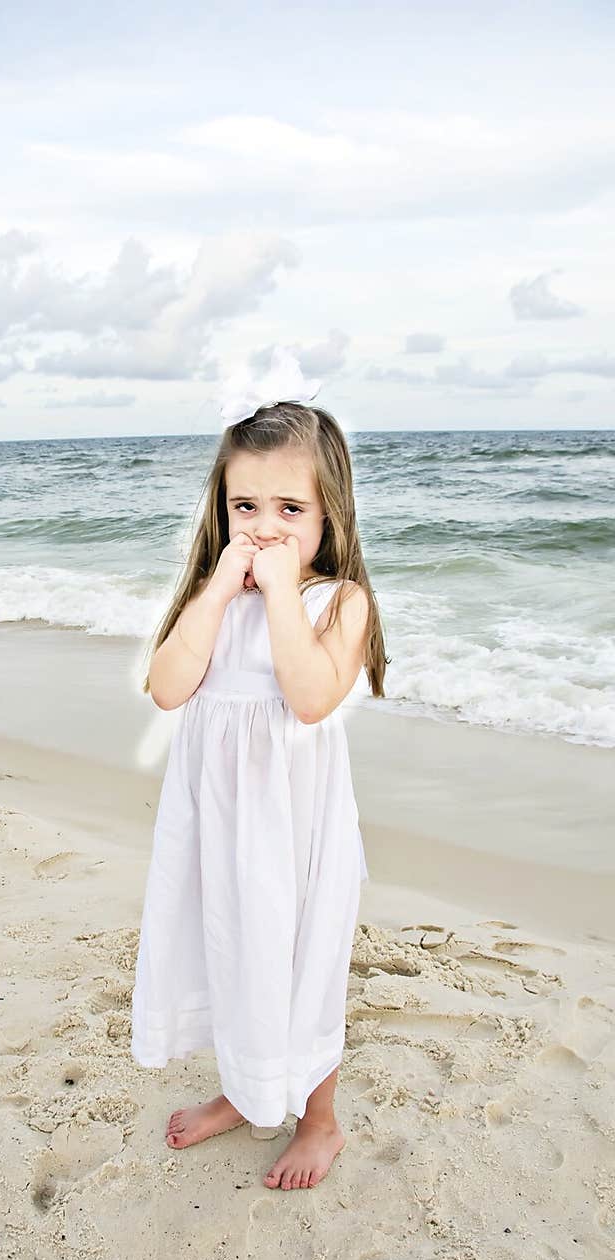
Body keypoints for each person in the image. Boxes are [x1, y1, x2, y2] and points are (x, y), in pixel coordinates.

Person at [130, 351, 388, 1191]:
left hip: (295, 826)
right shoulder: (216, 595)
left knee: (299, 957)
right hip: (220, 823)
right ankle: (242, 1090)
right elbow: (168, 688)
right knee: (230, 949)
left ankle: (320, 1119)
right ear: (222, 507)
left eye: (289, 507)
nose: (266, 526)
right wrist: (216, 590)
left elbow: (310, 698)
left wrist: (279, 591)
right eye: (247, 505)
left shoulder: (337, 602)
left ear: (327, 512)